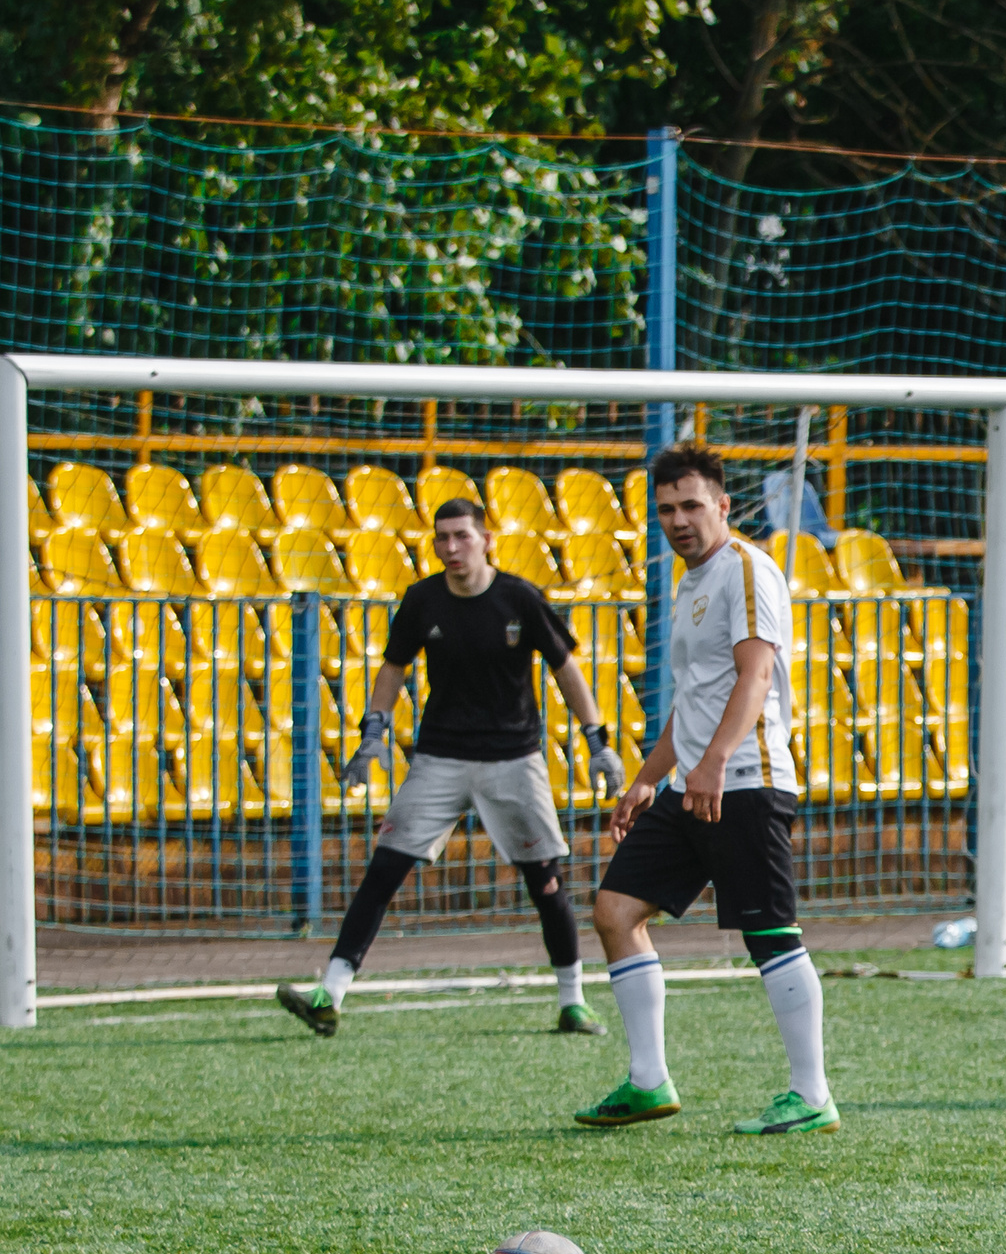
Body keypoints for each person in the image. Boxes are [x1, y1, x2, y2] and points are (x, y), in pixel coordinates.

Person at [275, 497, 625, 1037]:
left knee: (546, 882)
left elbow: (567, 669)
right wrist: (373, 734)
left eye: (462, 535)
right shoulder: (423, 600)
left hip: (514, 757)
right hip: (440, 757)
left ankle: (573, 1001)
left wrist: (597, 741)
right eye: (441, 538)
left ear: (487, 539)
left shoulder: (519, 598)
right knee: (384, 870)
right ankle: (330, 994)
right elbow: (393, 668)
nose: (451, 547)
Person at [571, 443, 834, 1135]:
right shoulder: (691, 582)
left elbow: (754, 676)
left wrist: (715, 760)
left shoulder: (747, 568)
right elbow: (694, 696)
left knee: (769, 932)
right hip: (691, 786)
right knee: (615, 910)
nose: (678, 519)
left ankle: (812, 1094)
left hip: (745, 781)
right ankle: (648, 1081)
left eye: (691, 505)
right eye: (666, 509)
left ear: (722, 505)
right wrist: (647, 778)